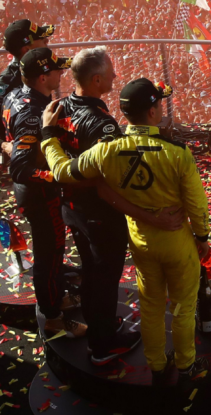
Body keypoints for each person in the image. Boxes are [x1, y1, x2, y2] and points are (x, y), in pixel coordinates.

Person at [42, 78, 211, 390]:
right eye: (158, 103)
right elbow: (197, 205)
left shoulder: (107, 151)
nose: (161, 107)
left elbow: (63, 171)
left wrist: (48, 137)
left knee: (150, 305)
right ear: (151, 111)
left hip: (141, 242)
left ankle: (158, 368)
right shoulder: (177, 153)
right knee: (184, 308)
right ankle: (186, 366)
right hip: (177, 243)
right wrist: (202, 238)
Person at [55, 46, 184, 365]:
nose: (116, 74)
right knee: (104, 277)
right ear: (97, 79)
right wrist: (150, 217)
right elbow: (106, 187)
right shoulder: (102, 125)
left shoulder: (60, 107)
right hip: (98, 217)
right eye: (111, 70)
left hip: (71, 209)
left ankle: (101, 325)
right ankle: (103, 346)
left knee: (90, 273)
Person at [3, 46, 86, 338]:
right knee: (49, 255)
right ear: (42, 77)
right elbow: (20, 168)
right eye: (55, 69)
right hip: (39, 194)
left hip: (36, 193)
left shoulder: (19, 95)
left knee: (52, 253)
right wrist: (57, 177)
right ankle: (52, 318)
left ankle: (55, 299)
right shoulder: (31, 111)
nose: (61, 72)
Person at [0, 19, 54, 158]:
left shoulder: (40, 70)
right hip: (23, 159)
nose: (48, 45)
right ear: (27, 50)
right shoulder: (6, 83)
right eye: (44, 41)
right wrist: (5, 146)